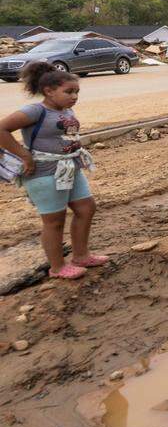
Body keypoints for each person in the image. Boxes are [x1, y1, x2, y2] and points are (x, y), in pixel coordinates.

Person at [0, 62, 104, 279]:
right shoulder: (35, 111)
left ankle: (81, 256)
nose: (74, 96)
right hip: (44, 173)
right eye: (69, 92)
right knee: (54, 221)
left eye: (76, 92)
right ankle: (57, 267)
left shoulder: (65, 109)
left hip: (69, 169)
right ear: (49, 91)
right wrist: (24, 155)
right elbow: (2, 129)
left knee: (86, 209)